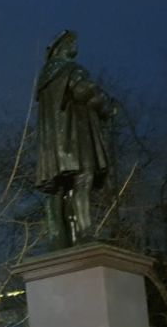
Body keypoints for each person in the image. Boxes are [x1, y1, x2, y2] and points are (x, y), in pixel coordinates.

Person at [34, 30, 115, 248]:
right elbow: (82, 93)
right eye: (72, 42)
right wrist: (104, 104)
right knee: (83, 179)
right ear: (61, 47)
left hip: (53, 144)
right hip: (75, 137)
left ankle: (57, 238)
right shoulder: (70, 69)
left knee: (57, 189)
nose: (75, 46)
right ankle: (85, 231)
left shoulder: (44, 79)